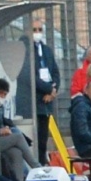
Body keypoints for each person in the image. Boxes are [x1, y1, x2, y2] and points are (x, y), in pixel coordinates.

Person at [17, 18, 61, 159]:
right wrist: (48, 89)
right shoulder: (22, 49)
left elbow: (55, 72)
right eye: (34, 30)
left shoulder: (46, 50)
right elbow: (27, 75)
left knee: (43, 139)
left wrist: (53, 91)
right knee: (31, 138)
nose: (37, 33)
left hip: (46, 102)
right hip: (30, 101)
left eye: (39, 30)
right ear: (27, 31)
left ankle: (42, 163)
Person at [0, 78, 39, 181]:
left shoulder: (0, 105)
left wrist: (4, 128)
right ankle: (37, 168)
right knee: (18, 137)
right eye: (0, 93)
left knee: (16, 152)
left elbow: (0, 122)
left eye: (5, 94)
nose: (2, 97)